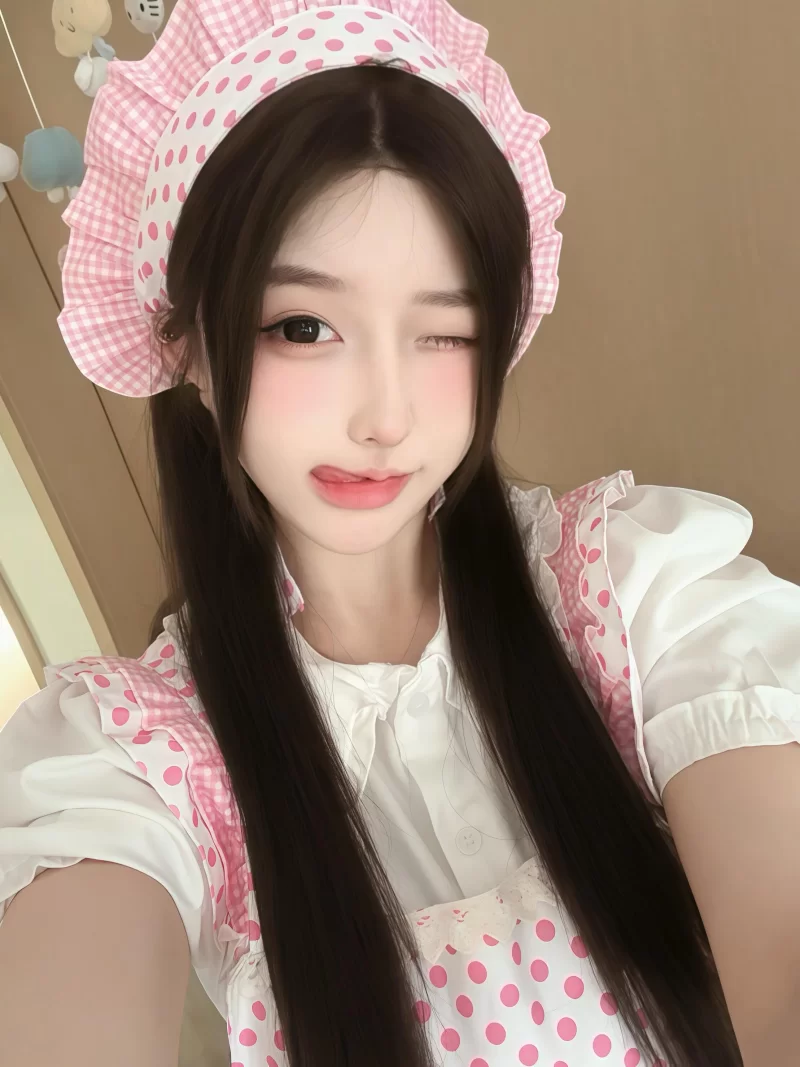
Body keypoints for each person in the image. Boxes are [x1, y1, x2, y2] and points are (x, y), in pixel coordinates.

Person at [1, 2, 799, 1065]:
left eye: (446, 331)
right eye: (303, 326)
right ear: (185, 344)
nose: (385, 416)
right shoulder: (141, 757)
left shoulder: (633, 593)